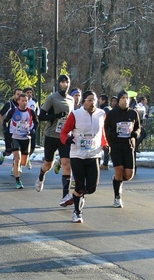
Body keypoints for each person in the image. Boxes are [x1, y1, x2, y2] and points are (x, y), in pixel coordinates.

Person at [60, 91, 108, 223]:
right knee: (80, 185)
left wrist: (105, 143)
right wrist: (66, 140)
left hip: (94, 154)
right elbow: (64, 131)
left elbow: (101, 132)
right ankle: (77, 212)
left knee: (92, 187)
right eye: (89, 100)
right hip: (77, 155)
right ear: (83, 102)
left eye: (94, 100)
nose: (92, 102)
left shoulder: (101, 114)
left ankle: (76, 195)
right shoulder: (75, 114)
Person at [35, 74, 74, 207]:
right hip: (51, 135)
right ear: (59, 83)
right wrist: (57, 116)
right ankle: (41, 174)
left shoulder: (71, 99)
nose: (64, 84)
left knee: (66, 164)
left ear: (69, 84)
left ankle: (65, 195)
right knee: (48, 165)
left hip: (64, 136)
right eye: (62, 82)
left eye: (66, 82)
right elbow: (40, 116)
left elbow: (72, 118)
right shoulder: (52, 98)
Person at [104, 89, 141, 208]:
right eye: (123, 98)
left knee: (129, 175)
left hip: (129, 146)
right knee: (119, 171)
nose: (125, 100)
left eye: (127, 98)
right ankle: (117, 197)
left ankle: (116, 179)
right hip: (116, 146)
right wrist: (110, 137)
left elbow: (138, 128)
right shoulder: (112, 114)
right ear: (119, 100)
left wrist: (136, 133)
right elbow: (106, 129)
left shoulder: (133, 113)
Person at [3, 93, 39, 189]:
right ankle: (18, 180)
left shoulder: (31, 112)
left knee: (23, 162)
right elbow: (5, 121)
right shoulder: (13, 111)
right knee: (17, 158)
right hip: (15, 137)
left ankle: (18, 167)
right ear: (18, 101)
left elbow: (36, 122)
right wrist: (6, 129)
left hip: (26, 138)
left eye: (26, 101)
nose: (24, 103)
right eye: (22, 101)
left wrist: (33, 130)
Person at [0, 88, 22, 167]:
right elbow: (0, 115)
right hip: (9, 130)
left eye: (20, 94)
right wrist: (4, 126)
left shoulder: (24, 105)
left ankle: (14, 167)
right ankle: (4, 154)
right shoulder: (9, 105)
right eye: (17, 94)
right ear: (14, 95)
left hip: (19, 131)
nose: (19, 96)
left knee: (17, 149)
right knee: (9, 151)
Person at [23, 87, 39, 170]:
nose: (29, 94)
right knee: (22, 146)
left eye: (30, 92)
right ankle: (17, 165)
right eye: (27, 92)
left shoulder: (34, 101)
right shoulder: (21, 101)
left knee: (32, 146)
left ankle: (27, 158)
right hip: (22, 127)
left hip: (32, 126)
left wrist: (37, 118)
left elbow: (37, 111)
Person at [99, 94, 110, 170]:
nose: (99, 101)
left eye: (100, 99)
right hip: (107, 129)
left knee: (104, 146)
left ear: (104, 100)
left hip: (106, 130)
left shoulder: (105, 109)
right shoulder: (105, 108)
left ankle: (105, 163)